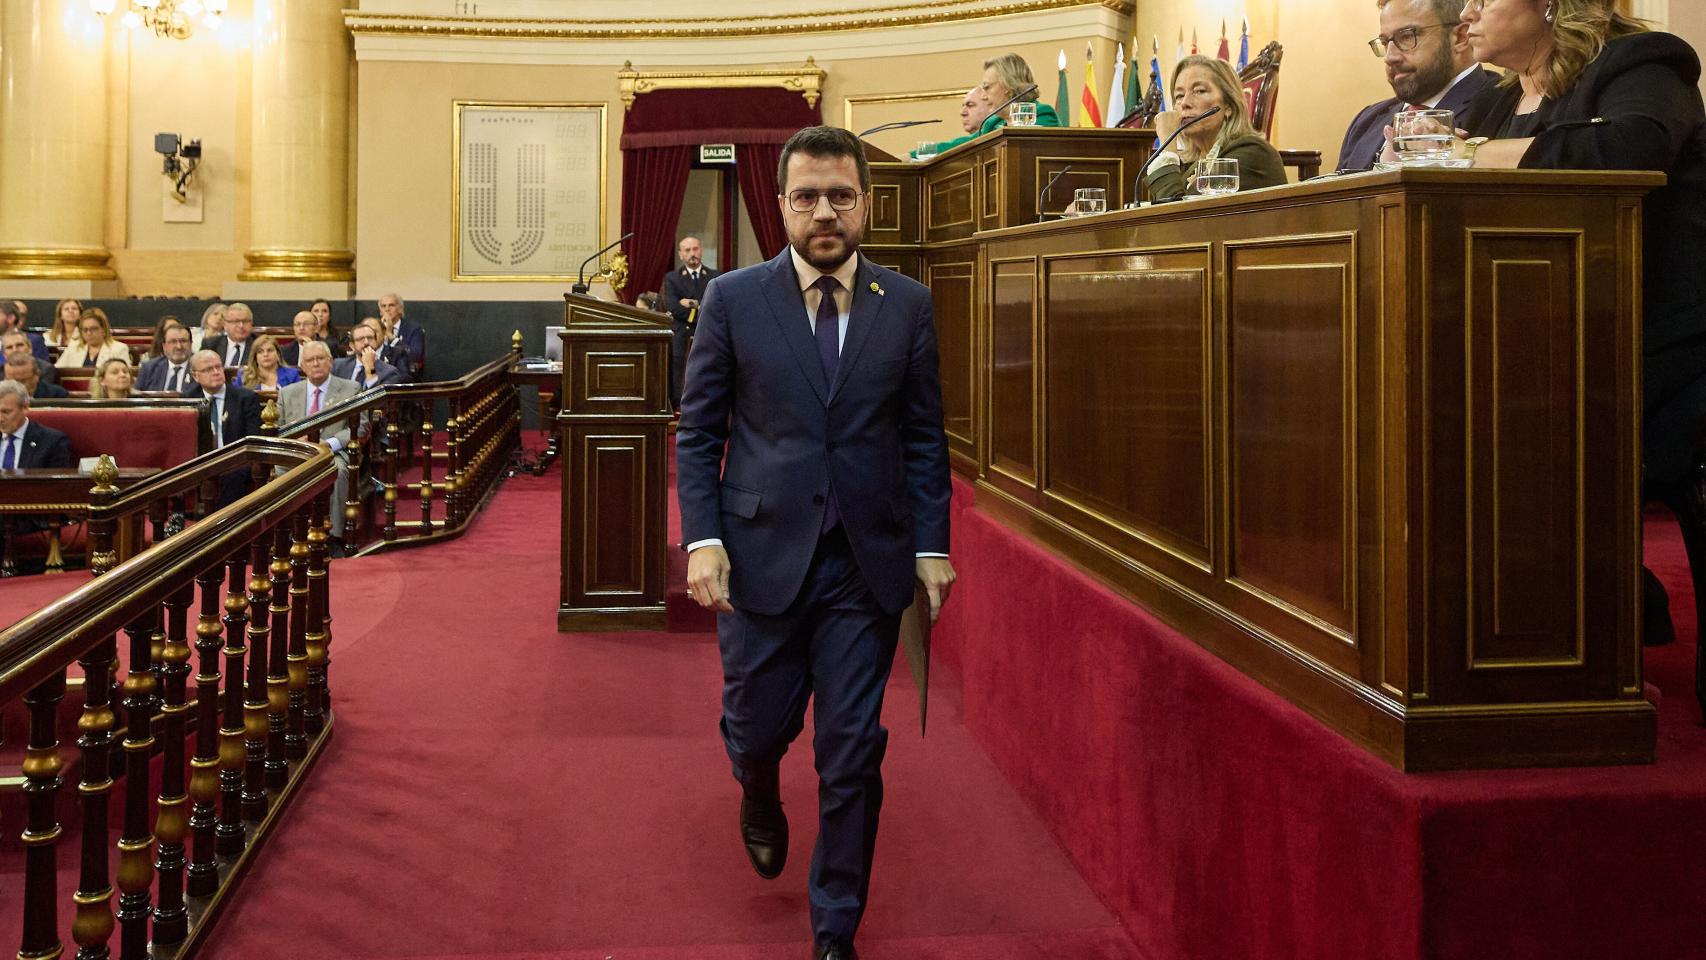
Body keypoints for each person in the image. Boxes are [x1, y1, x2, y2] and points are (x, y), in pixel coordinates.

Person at [677, 125, 956, 960]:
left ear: (866, 203)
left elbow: (922, 437)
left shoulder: (905, 303)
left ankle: (836, 929)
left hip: (864, 565)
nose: (824, 212)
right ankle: (757, 789)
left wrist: (932, 542)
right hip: (760, 555)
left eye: (840, 195)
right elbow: (698, 435)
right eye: (807, 197)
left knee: (851, 751)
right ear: (783, 205)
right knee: (758, 728)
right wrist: (702, 540)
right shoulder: (733, 299)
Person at [1447, 0, 1706, 645]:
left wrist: (1484, 157)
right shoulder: (1489, 104)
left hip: (1657, 332)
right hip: (1538, 327)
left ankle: (1590, 626)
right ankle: (1563, 625)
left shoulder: (1641, 62)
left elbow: (1633, 145)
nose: (1466, 13)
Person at [1338, 0, 1500, 172]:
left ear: (1461, 37)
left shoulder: (1503, 105)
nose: (1390, 57)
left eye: (1407, 36)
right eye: (1385, 43)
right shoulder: (1366, 121)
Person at [1143, 55, 1287, 201]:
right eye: (1179, 95)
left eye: (1199, 91)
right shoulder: (1194, 165)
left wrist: (1168, 146)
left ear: (1229, 106)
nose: (1185, 103)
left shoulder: (1253, 153)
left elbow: (1180, 219)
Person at [279, 341, 362, 548]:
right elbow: (279, 430)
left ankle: (334, 536)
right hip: (297, 454)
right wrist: (294, 441)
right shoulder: (287, 393)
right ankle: (289, 534)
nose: (315, 363)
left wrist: (329, 444)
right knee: (280, 474)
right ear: (302, 366)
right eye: (310, 360)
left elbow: (360, 427)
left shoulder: (351, 388)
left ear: (330, 362)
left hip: (333, 453)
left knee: (340, 471)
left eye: (320, 358)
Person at [910, 53, 1061, 157]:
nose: (983, 96)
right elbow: (956, 145)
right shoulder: (993, 123)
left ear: (1008, 86)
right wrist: (913, 154)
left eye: (987, 87)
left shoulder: (1042, 114)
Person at [182, 349, 263, 505]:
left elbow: (253, 439)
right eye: (207, 369)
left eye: (218, 367)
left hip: (235, 462)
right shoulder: (187, 400)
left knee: (233, 476)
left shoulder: (245, 398)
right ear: (195, 376)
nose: (216, 372)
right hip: (199, 463)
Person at [660, 236, 718, 411]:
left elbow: (715, 304)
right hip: (681, 333)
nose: (692, 254)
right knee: (679, 368)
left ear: (701, 250)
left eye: (695, 249)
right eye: (687, 250)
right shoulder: (672, 278)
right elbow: (673, 307)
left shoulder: (715, 276)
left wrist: (692, 303)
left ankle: (707, 407)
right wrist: (700, 306)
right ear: (680, 254)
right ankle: (680, 406)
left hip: (708, 331)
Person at [0, 379, 72, 470]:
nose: (0, 418)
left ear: (25, 407)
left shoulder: (52, 442)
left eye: (6, 412)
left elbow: (57, 483)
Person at [333, 320, 403, 389]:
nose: (366, 342)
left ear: (376, 342)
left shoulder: (389, 372)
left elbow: (378, 398)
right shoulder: (338, 366)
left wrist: (370, 369)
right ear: (352, 346)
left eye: (370, 338)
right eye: (360, 339)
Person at [56, 308, 132, 369]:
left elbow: (125, 377)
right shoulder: (73, 348)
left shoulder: (119, 349)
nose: (89, 333)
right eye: (85, 330)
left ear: (103, 329)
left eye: (93, 329)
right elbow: (57, 370)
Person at [136, 322, 195, 393]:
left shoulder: (200, 367)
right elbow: (137, 396)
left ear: (191, 343)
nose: (179, 346)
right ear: (164, 346)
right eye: (173, 342)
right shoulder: (149, 368)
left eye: (183, 341)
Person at [378, 294, 425, 379]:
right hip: (379, 374)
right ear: (380, 311)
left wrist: (390, 335)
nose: (387, 309)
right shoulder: (374, 328)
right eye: (383, 306)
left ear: (400, 309)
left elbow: (415, 355)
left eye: (391, 305)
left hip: (404, 375)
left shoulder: (414, 329)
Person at [234, 334, 301, 392]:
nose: (265, 354)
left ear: (278, 354)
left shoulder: (292, 375)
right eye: (260, 351)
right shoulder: (244, 376)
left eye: (270, 350)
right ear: (255, 357)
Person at [203, 302, 256, 366]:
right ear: (225, 324)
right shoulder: (211, 344)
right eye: (236, 321)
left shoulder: (258, 345)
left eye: (245, 321)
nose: (241, 326)